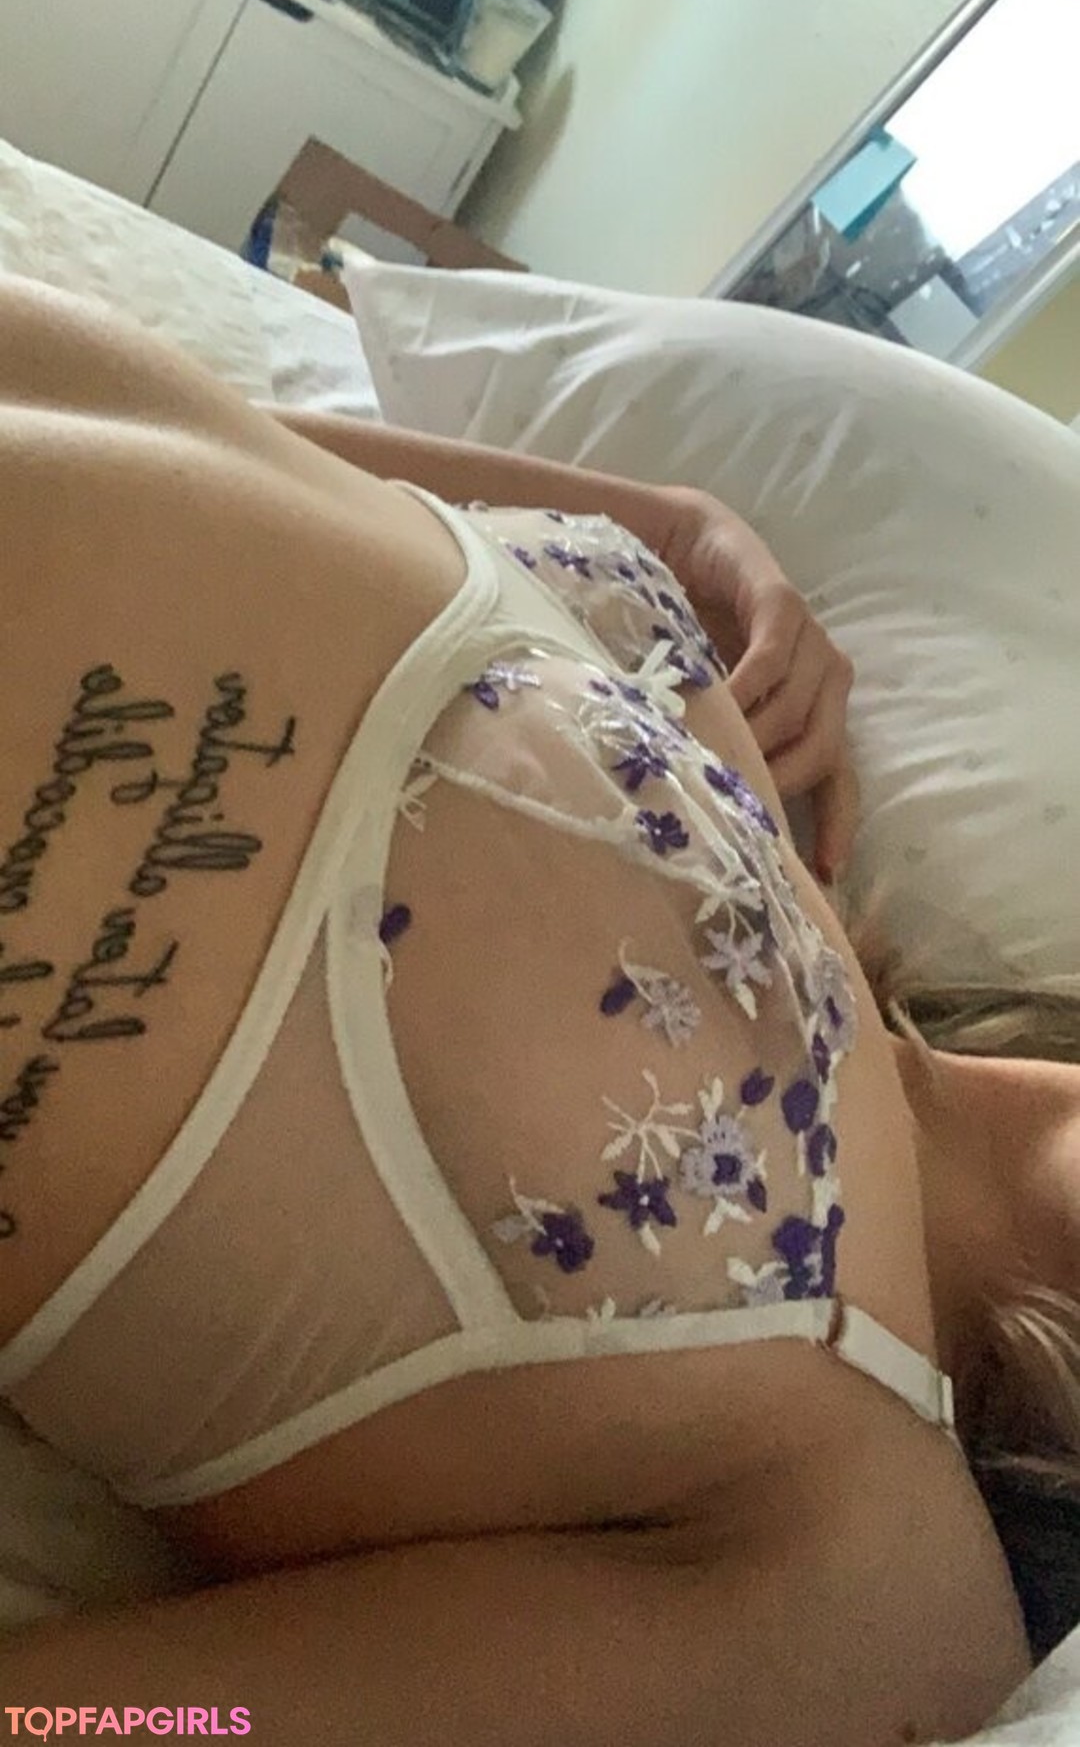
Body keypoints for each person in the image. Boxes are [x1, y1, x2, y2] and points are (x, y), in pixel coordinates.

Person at [0, 271, 1076, 1744]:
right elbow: (247, 453)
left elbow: (88, 1727)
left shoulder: (880, 1600)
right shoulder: (793, 816)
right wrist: (678, 529)